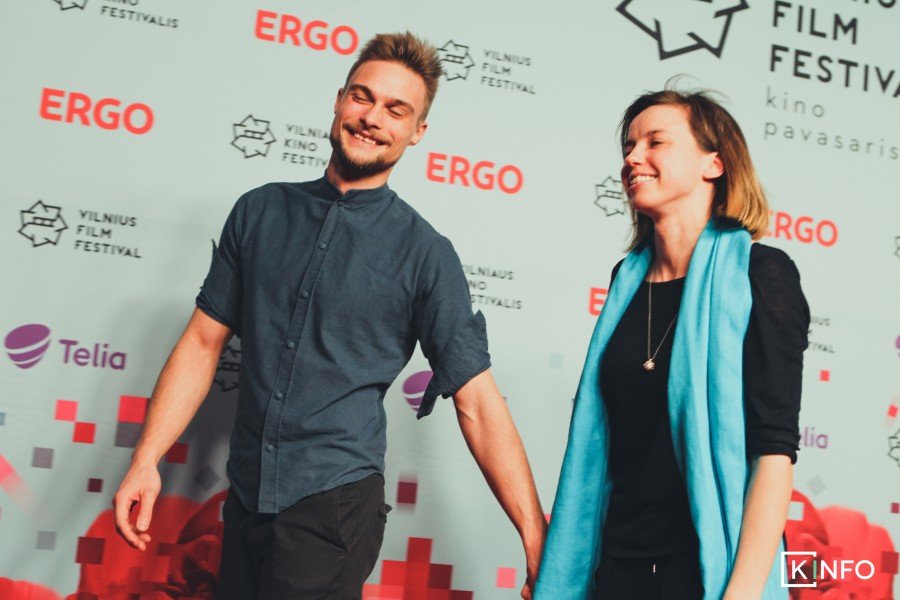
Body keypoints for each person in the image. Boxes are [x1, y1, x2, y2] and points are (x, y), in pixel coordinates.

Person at [113, 32, 546, 600]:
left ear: (418, 132)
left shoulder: (425, 254)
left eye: (396, 110)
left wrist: (534, 535)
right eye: (362, 97)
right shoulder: (259, 211)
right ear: (339, 100)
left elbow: (478, 401)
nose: (372, 118)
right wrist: (146, 459)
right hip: (244, 498)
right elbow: (201, 344)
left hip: (333, 507)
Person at [534, 87, 809, 599]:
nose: (633, 158)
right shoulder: (625, 283)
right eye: (629, 147)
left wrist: (742, 594)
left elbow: (773, 453)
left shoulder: (761, 275)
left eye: (655, 142)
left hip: (702, 570)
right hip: (616, 566)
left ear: (714, 164)